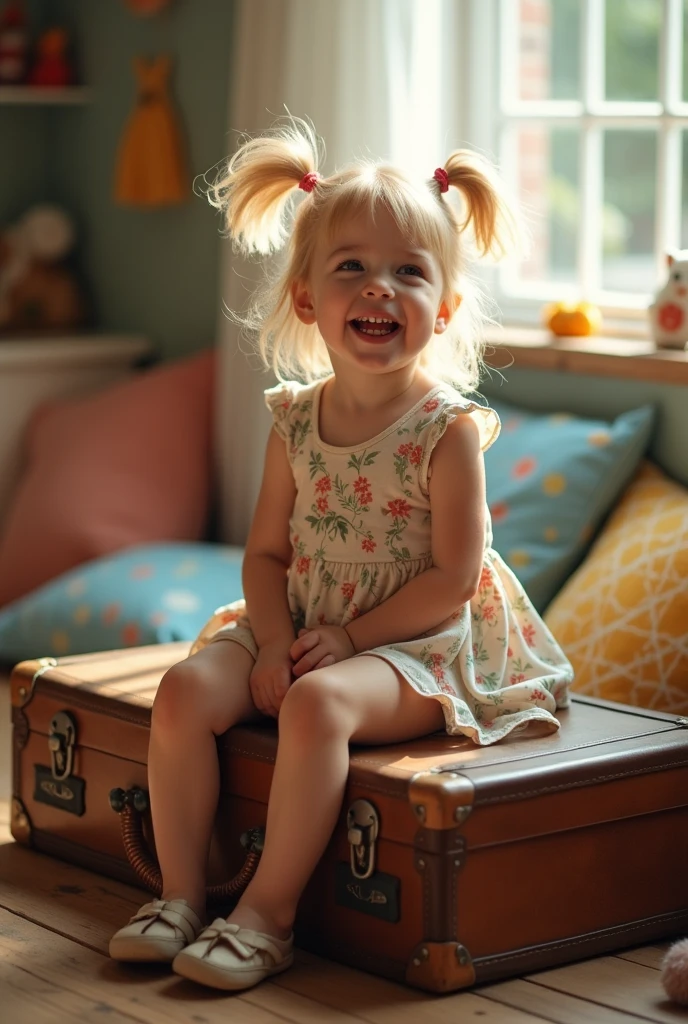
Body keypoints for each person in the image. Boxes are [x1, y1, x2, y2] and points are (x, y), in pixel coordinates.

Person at [109, 117, 574, 991]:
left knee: (317, 709)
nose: (379, 288)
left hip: (419, 645)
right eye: (351, 266)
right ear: (306, 299)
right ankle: (179, 895)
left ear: (442, 309)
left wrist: (349, 645)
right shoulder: (294, 421)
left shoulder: (447, 432)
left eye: (408, 271)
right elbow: (262, 555)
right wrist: (277, 637)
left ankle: (266, 916)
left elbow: (452, 579)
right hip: (306, 622)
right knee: (181, 691)